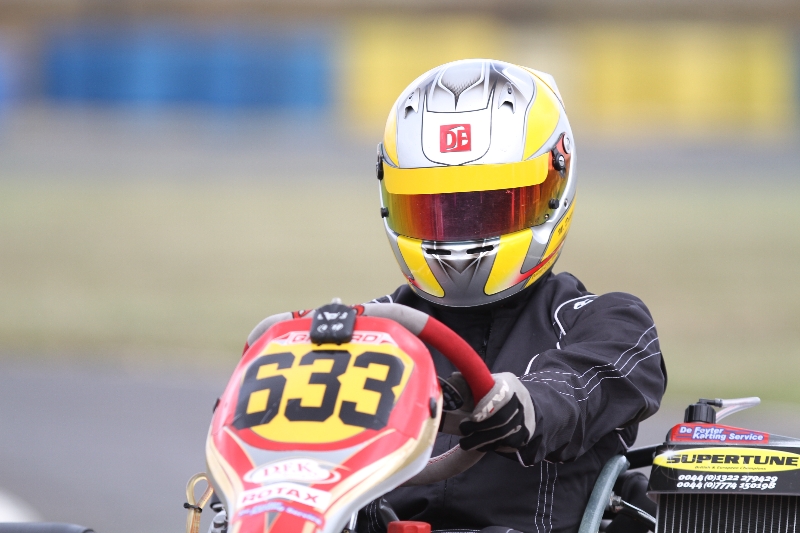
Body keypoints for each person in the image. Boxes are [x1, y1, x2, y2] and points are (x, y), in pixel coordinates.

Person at [359, 59, 667, 533]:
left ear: (554, 186)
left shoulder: (607, 323)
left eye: (488, 204)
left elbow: (578, 389)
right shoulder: (371, 333)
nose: (461, 230)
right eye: (436, 208)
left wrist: (523, 403)